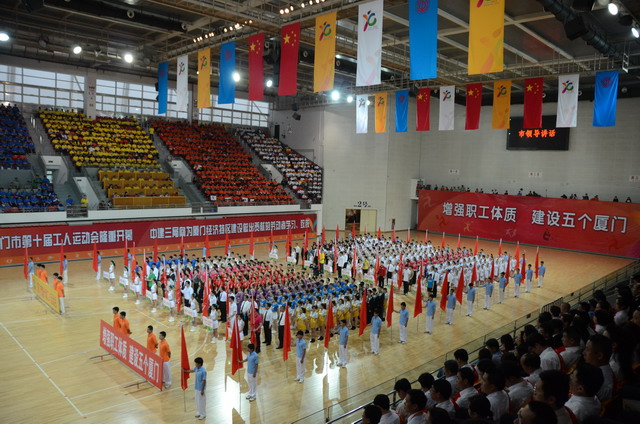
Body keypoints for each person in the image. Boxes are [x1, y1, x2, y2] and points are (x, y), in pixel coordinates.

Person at [582, 334, 614, 402]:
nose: (583, 353)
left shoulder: (597, 381)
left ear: (599, 356)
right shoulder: (606, 371)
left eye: (587, 349)